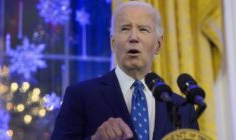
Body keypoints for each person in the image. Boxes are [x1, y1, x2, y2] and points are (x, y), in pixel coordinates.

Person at [51, 1, 198, 140]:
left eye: (143, 29)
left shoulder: (183, 108)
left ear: (158, 45)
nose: (133, 37)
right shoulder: (80, 96)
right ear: (113, 43)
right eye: (125, 29)